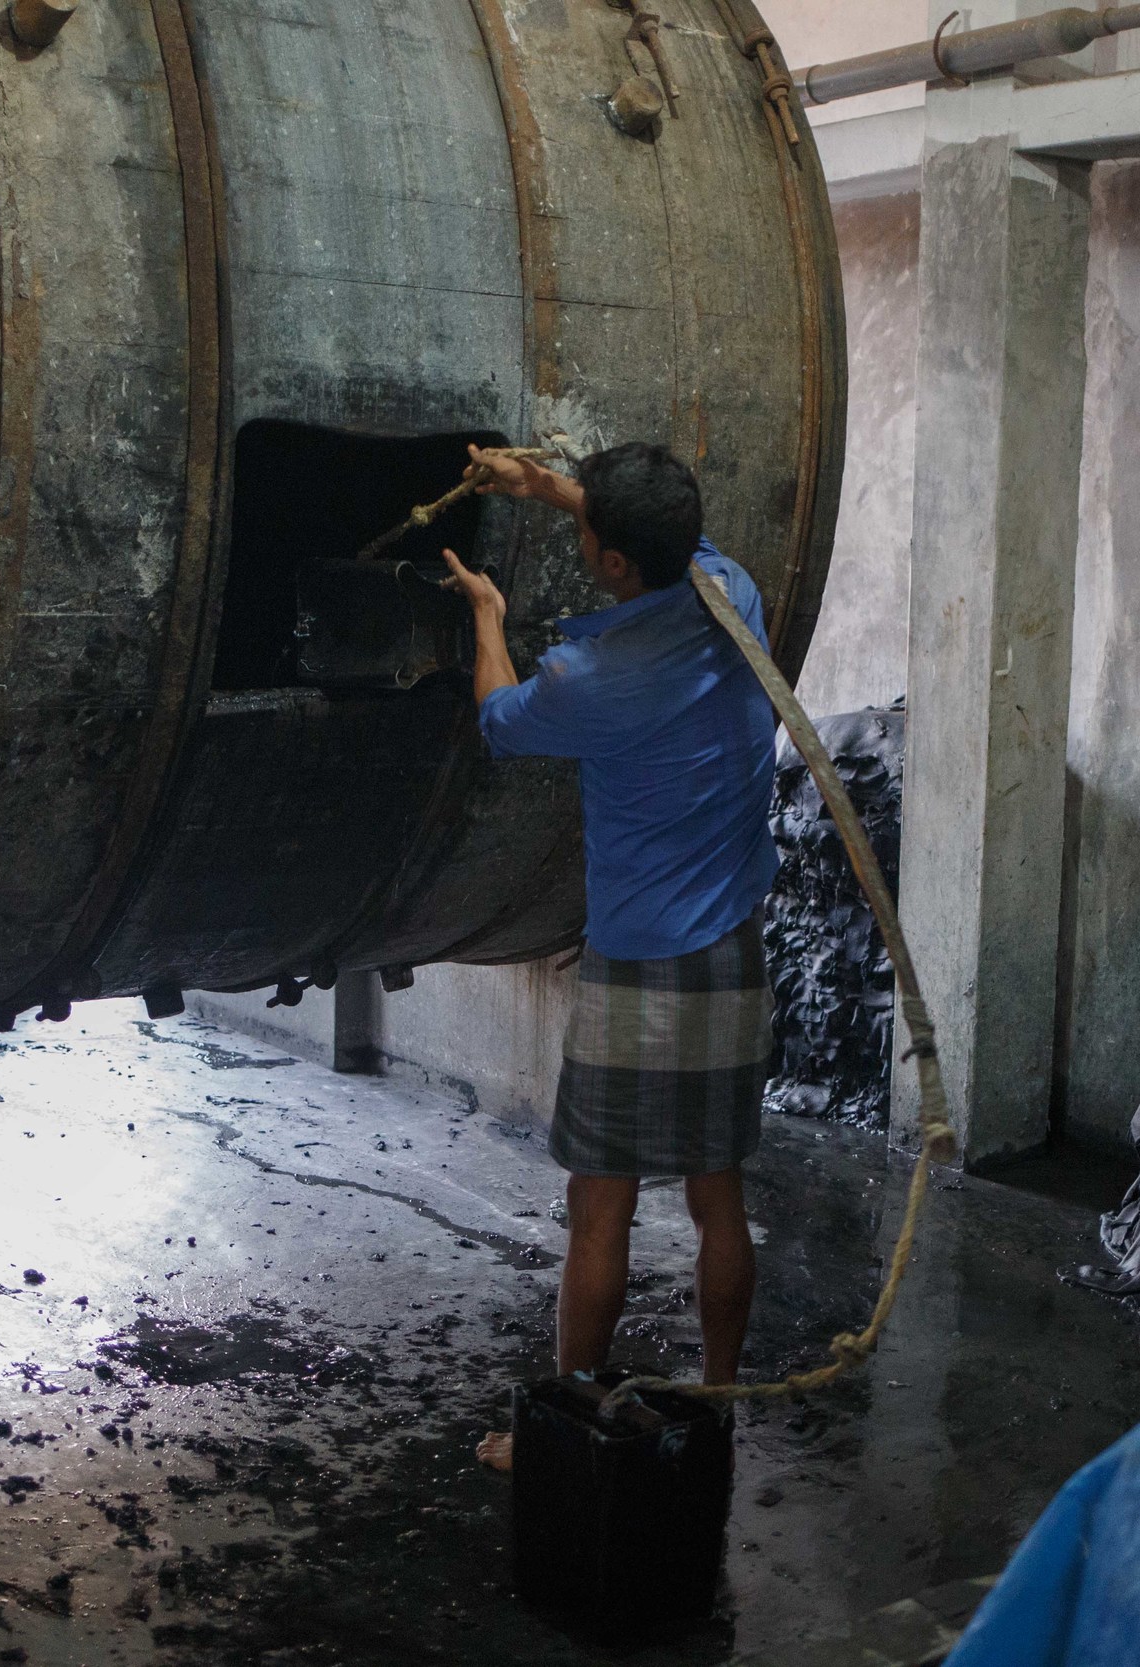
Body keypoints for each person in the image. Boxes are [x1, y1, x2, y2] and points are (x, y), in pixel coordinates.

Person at [439, 442, 778, 1472]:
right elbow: (650, 531)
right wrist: (550, 488)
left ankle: (564, 1422)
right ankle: (718, 1396)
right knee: (720, 1195)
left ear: (614, 564)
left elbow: (501, 720)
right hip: (729, 944)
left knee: (601, 1206)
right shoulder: (731, 591)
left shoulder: (592, 679)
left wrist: (487, 616)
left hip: (636, 963)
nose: (581, 536)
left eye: (587, 531)